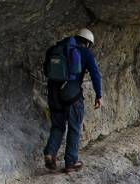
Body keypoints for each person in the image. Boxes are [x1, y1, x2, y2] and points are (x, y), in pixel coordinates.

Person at [43, 28, 102, 173]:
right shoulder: (85, 52)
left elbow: (46, 70)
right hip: (71, 94)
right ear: (88, 43)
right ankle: (71, 162)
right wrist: (98, 95)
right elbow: (95, 74)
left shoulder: (56, 49)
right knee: (75, 127)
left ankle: (50, 153)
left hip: (53, 93)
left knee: (57, 126)